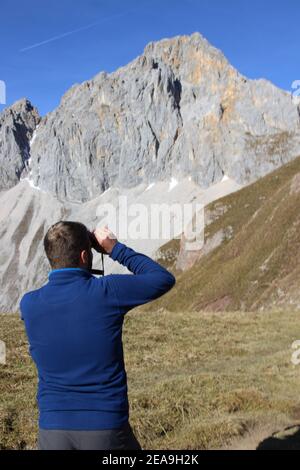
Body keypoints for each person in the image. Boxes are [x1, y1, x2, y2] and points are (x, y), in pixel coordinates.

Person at [20, 222, 176, 450]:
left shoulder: (29, 304)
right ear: (85, 255)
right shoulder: (106, 292)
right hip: (106, 427)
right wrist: (114, 248)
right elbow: (162, 279)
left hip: (52, 430)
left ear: (50, 256)